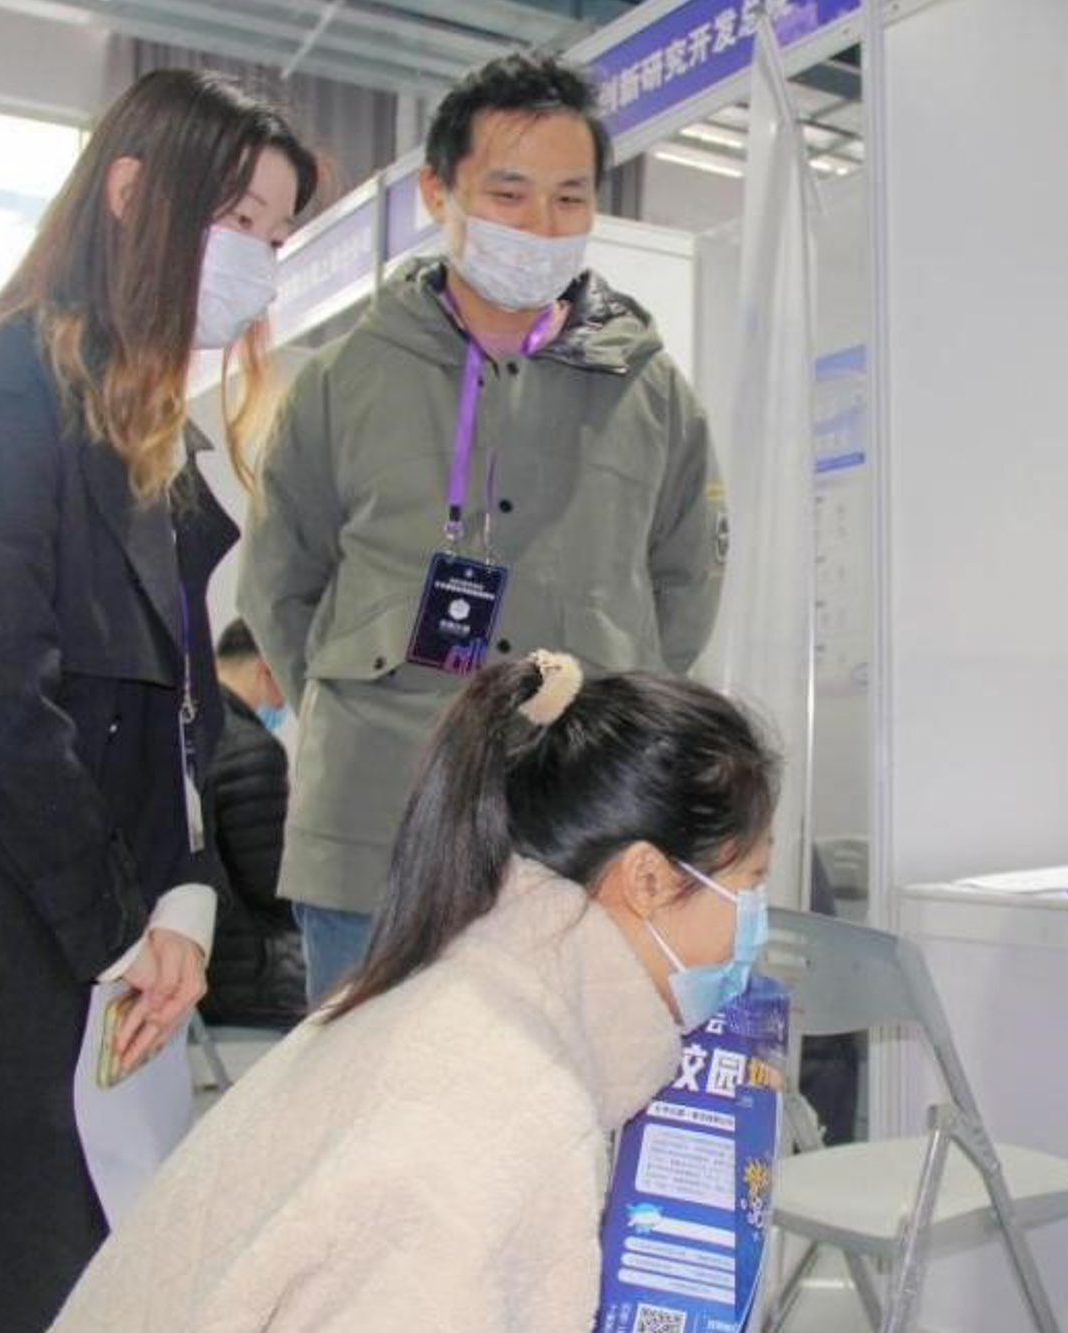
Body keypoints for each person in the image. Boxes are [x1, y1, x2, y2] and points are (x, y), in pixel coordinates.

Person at [0, 71, 315, 1332]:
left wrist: (185, 900)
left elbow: (185, 713)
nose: (259, 260)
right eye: (237, 220)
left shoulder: (152, 435)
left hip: (86, 950)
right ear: (130, 191)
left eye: (278, 235)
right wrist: (126, 928)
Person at [50, 650, 779, 1331]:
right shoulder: (505, 1115)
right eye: (751, 881)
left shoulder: (455, 998)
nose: (757, 921)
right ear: (647, 879)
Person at [240, 52, 726, 1004]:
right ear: (438, 192)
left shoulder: (656, 397)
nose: (540, 225)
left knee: (559, 1090)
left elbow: (684, 594)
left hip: (573, 841)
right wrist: (358, 707)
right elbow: (279, 583)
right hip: (373, 833)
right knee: (362, 1090)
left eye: (569, 198)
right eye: (508, 193)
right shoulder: (342, 380)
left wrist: (603, 731)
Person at [202, 618, 308, 1028]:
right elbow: (274, 886)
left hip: (202, 957)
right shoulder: (251, 749)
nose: (282, 706)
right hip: (248, 970)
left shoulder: (189, 730)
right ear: (268, 669)